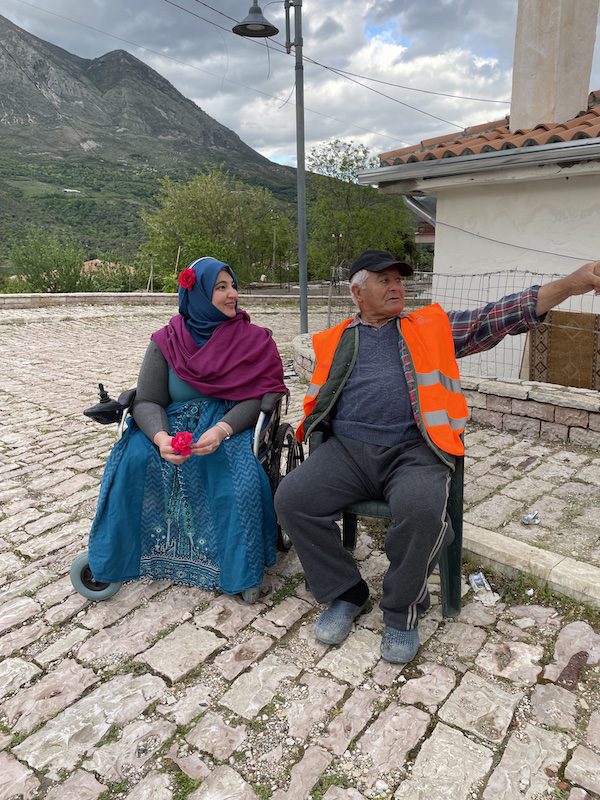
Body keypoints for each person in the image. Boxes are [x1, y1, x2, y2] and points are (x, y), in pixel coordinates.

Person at [275, 248, 600, 662]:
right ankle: (346, 593)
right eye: (385, 280)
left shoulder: (429, 327)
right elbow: (322, 399)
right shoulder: (335, 339)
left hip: (415, 449)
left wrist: (573, 283)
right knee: (292, 499)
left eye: (399, 280)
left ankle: (400, 611)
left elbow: (498, 315)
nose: (397, 287)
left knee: (423, 511)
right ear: (358, 293)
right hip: (348, 451)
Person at [87, 256, 288, 602]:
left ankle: (237, 567)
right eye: (220, 288)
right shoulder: (166, 341)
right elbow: (148, 400)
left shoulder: (255, 341)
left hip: (229, 422)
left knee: (233, 477)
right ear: (195, 295)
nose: (232, 295)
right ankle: (126, 555)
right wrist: (161, 438)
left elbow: (258, 397)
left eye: (232, 286)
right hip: (169, 423)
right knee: (132, 462)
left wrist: (222, 430)